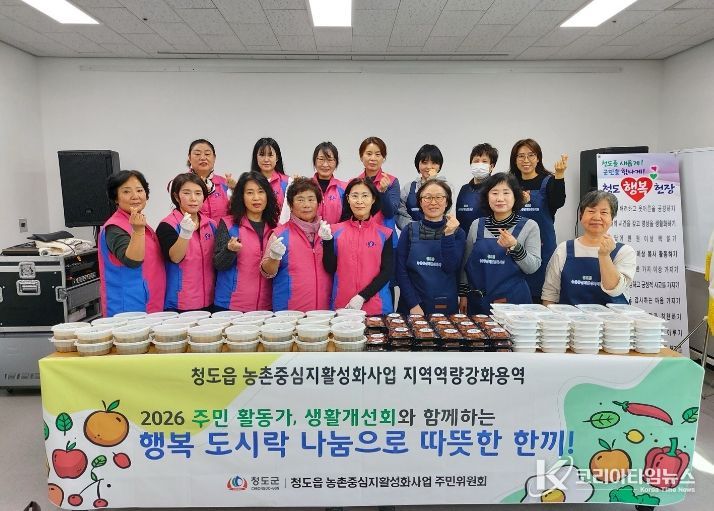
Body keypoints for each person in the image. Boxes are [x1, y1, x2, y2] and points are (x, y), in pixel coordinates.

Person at [461, 173, 541, 313]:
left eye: (506, 193)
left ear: (515, 196)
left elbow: (532, 267)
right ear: (487, 197)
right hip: (479, 302)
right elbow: (465, 264)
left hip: (514, 305)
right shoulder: (476, 225)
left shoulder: (529, 226)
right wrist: (463, 294)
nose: (500, 198)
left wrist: (515, 246)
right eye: (494, 193)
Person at [542, 190, 636, 305]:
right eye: (591, 211)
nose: (597, 217)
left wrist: (604, 255)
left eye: (604, 212)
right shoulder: (564, 249)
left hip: (612, 316)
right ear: (581, 216)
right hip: (570, 316)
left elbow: (614, 290)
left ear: (612, 219)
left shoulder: (624, 252)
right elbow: (550, 293)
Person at [98, 170, 165, 317]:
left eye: (139, 190)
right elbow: (133, 260)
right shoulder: (114, 227)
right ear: (116, 198)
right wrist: (138, 231)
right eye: (126, 191)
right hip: (128, 310)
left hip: (149, 305)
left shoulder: (139, 223)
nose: (135, 196)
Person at [322, 178, 394, 314]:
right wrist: (327, 242)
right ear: (348, 199)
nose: (359, 201)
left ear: (373, 199)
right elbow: (330, 268)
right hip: (343, 305)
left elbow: (387, 272)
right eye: (355, 196)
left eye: (365, 196)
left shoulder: (385, 233)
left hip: (377, 307)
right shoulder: (334, 231)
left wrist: (362, 296)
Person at [509, 138, 567, 302]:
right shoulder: (510, 183)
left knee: (540, 294)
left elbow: (558, 202)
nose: (526, 160)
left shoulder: (548, 181)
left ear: (538, 158)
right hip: (512, 246)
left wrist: (560, 175)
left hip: (543, 248)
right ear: (515, 159)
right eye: (521, 156)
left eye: (531, 155)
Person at [262, 177, 332, 311]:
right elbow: (267, 272)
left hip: (323, 313)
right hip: (289, 312)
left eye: (311, 199)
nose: (306, 205)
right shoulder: (279, 234)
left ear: (318, 203)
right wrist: (274, 257)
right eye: (300, 200)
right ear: (290, 204)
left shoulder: (327, 232)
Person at [396, 179, 465, 315]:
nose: (433, 202)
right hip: (412, 306)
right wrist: (413, 304)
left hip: (444, 305)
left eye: (439, 197)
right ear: (420, 202)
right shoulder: (409, 230)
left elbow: (450, 267)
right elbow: (400, 271)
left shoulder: (458, 233)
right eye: (427, 197)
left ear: (447, 202)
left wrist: (448, 234)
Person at [213, 172, 279, 311]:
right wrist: (229, 250)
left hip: (266, 307)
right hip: (230, 306)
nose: (256, 198)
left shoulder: (276, 228)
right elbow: (218, 264)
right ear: (241, 196)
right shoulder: (228, 224)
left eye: (261, 192)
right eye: (249, 192)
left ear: (267, 195)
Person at [157, 173, 216, 313]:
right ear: (177, 197)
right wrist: (185, 233)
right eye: (187, 193)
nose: (193, 198)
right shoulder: (167, 225)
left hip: (210, 300)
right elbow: (175, 257)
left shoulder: (211, 225)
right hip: (179, 303)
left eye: (198, 193)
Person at [356, 137, 400, 246]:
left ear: (383, 158)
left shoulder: (392, 181)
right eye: (369, 154)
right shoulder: (355, 183)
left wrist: (383, 192)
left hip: (386, 240)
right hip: (361, 238)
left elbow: (390, 213)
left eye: (378, 154)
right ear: (361, 157)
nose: (373, 158)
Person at [396, 144, 446, 230]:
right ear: (418, 164)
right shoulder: (408, 188)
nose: (429, 167)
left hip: (438, 233)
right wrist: (415, 229)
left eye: (433, 163)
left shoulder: (446, 187)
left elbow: (445, 213)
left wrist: (432, 181)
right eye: (424, 162)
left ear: (439, 166)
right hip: (412, 234)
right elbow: (401, 214)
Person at [184, 138, 234, 222]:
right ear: (189, 157)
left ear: (214, 158)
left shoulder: (225, 183)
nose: (203, 158)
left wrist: (236, 190)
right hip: (191, 230)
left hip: (222, 230)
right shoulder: (181, 183)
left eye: (207, 154)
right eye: (197, 154)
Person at [455, 143, 499, 235]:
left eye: (484, 161)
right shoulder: (464, 189)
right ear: (471, 164)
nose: (479, 164)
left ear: (491, 166)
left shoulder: (496, 189)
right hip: (463, 239)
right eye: (476, 161)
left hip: (487, 241)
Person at [311, 141, 346, 225]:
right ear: (314, 161)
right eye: (321, 159)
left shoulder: (344, 188)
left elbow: (347, 217)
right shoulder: (305, 187)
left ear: (336, 163)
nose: (325, 164)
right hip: (309, 233)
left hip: (336, 232)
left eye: (330, 160)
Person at [251, 137, 290, 210]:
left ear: (277, 158)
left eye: (270, 155)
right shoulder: (248, 182)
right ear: (256, 157)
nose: (266, 159)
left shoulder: (288, 182)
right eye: (262, 155)